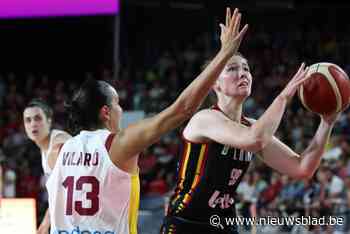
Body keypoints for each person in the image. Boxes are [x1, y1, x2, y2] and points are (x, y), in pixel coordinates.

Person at [44, 7, 248, 234]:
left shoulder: (58, 152)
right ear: (105, 112)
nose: (121, 110)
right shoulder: (118, 145)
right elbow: (182, 109)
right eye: (117, 103)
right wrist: (224, 53)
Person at [160, 14, 341, 234]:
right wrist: (283, 97)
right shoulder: (204, 119)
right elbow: (254, 139)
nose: (243, 73)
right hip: (186, 224)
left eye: (246, 68)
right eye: (232, 69)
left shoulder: (253, 126)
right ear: (214, 84)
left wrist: (327, 122)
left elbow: (303, 169)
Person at [23, 99, 71, 234]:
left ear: (49, 121)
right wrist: (45, 224)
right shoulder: (44, 148)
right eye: (28, 120)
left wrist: (45, 224)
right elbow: (57, 194)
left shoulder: (58, 144)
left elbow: (64, 191)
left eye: (38, 118)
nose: (33, 124)